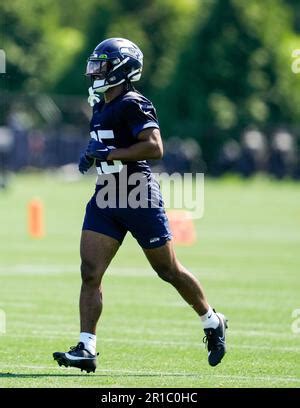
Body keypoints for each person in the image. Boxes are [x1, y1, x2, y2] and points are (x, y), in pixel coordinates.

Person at [53, 38, 228, 373]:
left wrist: (110, 154)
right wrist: (92, 154)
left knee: (168, 271)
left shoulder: (134, 102)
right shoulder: (100, 103)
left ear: (122, 68)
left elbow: (154, 147)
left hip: (137, 194)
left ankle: (211, 319)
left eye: (102, 65)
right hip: (106, 196)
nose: (95, 71)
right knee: (90, 272)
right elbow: (107, 141)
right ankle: (86, 347)